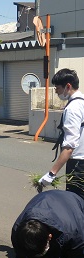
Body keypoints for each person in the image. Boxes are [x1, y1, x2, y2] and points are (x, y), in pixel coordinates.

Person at [38, 68, 84, 198]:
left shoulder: (73, 109)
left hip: (78, 164)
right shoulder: (82, 102)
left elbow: (69, 146)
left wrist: (51, 174)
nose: (56, 91)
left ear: (68, 86)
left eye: (57, 87)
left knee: (76, 204)